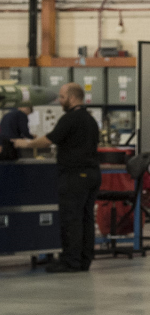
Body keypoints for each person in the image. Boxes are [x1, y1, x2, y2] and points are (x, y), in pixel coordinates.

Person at [12, 85, 100, 272]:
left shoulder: (70, 119)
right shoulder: (90, 120)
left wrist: (25, 143)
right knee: (86, 219)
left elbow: (49, 140)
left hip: (74, 176)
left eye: (61, 97)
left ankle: (71, 261)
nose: (59, 101)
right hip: (92, 175)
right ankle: (84, 260)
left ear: (72, 98)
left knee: (71, 219)